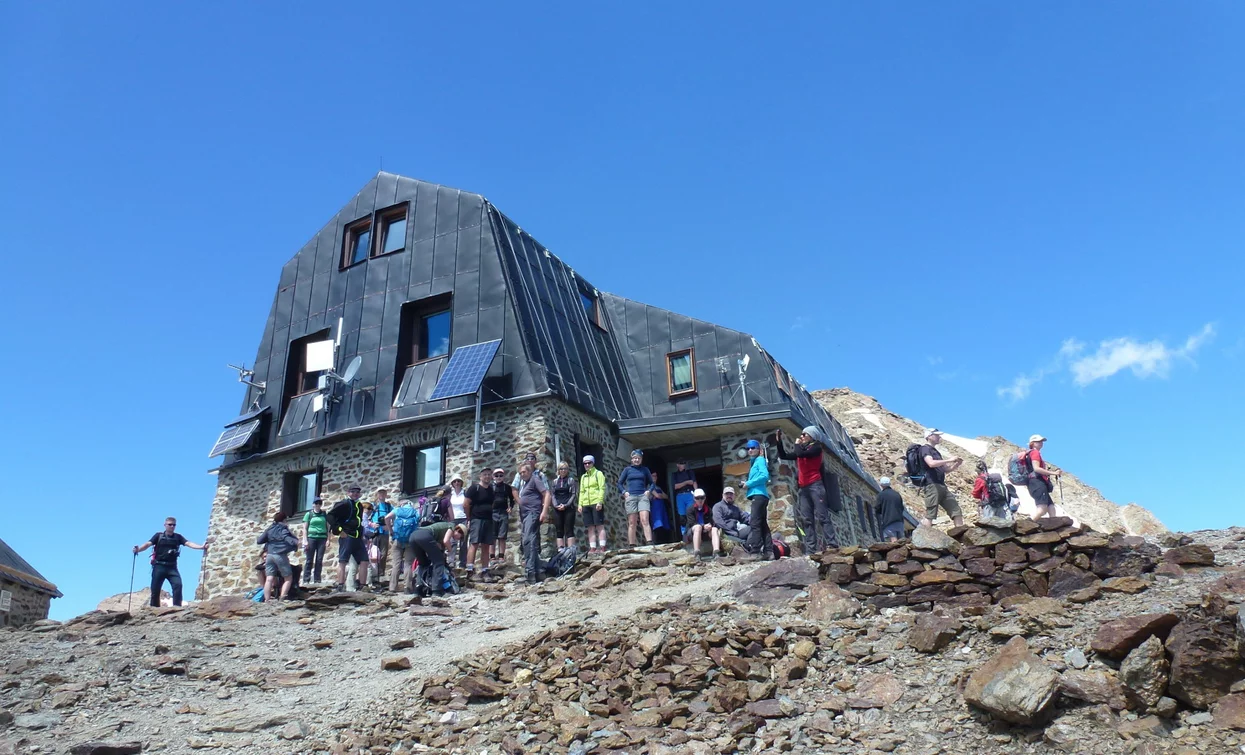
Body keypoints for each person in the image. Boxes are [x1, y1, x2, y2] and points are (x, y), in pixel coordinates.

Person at [775, 426, 839, 553]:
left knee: (822, 516)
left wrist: (796, 444)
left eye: (804, 434)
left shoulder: (816, 448)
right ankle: (811, 549)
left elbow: (800, 453)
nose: (801, 436)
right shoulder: (803, 450)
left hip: (815, 485)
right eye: (802, 434)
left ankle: (832, 544)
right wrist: (779, 441)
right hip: (804, 488)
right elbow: (784, 455)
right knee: (807, 519)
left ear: (812, 436)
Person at [132, 517, 206, 607]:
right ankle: (154, 609)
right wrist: (138, 549)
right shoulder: (158, 536)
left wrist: (201, 547)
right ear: (165, 525)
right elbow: (148, 544)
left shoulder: (178, 537)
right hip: (159, 566)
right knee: (155, 590)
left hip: (172, 567)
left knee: (178, 585)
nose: (172, 526)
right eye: (170, 524)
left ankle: (177, 608)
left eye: (174, 525)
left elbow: (188, 543)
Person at [918, 429, 964, 528]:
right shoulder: (925, 449)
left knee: (956, 510)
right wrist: (949, 460)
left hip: (941, 485)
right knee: (931, 513)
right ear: (929, 436)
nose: (939, 437)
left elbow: (945, 470)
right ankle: (925, 535)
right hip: (931, 484)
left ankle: (961, 534)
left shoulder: (936, 452)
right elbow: (931, 463)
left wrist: (956, 464)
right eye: (937, 435)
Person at [516, 463, 552, 584]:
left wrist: (544, 511)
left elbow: (547, 494)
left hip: (533, 513)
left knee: (528, 541)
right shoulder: (525, 484)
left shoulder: (534, 479)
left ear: (530, 471)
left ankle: (530, 573)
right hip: (526, 516)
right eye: (520, 473)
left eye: (524, 472)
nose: (522, 474)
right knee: (531, 541)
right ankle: (538, 572)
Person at [329, 485, 370, 591]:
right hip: (347, 536)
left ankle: (363, 586)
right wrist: (339, 530)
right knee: (343, 561)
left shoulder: (359, 505)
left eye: (357, 492)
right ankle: (340, 585)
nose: (355, 494)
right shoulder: (344, 504)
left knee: (364, 560)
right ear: (348, 493)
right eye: (353, 491)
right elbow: (330, 516)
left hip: (358, 538)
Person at [409, 521, 466, 596]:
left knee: (423, 563)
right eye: (461, 537)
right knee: (439, 562)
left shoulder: (441, 533)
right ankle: (436, 590)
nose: (458, 539)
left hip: (413, 536)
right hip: (424, 536)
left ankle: (418, 589)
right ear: (458, 530)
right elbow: (446, 541)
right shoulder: (452, 526)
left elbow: (439, 548)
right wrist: (450, 550)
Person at [256, 511, 300, 601]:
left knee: (269, 578)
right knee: (288, 577)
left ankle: (267, 600)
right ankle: (282, 598)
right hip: (280, 555)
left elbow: (259, 541)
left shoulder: (270, 529)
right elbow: (289, 539)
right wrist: (296, 543)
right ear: (284, 520)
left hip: (269, 555)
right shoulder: (283, 529)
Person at [463, 470, 497, 582]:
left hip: (488, 519)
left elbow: (492, 503)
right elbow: (466, 504)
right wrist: (469, 518)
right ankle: (470, 570)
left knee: (486, 545)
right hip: (476, 519)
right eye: (485, 475)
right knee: (474, 543)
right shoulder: (474, 488)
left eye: (489, 474)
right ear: (480, 476)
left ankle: (485, 570)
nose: (487, 476)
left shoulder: (491, 489)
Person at [742, 440, 773, 558]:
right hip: (761, 496)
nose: (750, 450)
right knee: (763, 524)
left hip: (758, 496)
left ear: (759, 449)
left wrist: (748, 483)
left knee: (755, 523)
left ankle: (754, 552)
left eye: (753, 447)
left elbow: (765, 476)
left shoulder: (759, 460)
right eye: (748, 448)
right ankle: (769, 552)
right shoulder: (755, 462)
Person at [617, 449, 654, 547]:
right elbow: (619, 483)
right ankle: (632, 545)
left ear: (641, 459)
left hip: (642, 496)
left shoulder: (645, 470)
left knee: (645, 520)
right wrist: (624, 492)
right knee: (632, 522)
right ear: (632, 459)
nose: (637, 460)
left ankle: (649, 542)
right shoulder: (627, 470)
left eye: (639, 458)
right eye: (635, 458)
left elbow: (652, 483)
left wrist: (649, 491)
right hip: (631, 497)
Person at [385, 498, 423, 593]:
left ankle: (392, 588)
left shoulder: (397, 510)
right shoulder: (415, 511)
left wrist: (391, 531)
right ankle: (407, 588)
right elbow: (419, 522)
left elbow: (386, 518)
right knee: (408, 564)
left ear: (401, 504)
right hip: (410, 541)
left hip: (398, 539)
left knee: (396, 564)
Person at [1025, 434, 1061, 520]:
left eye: (1041, 441)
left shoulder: (1030, 453)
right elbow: (1036, 468)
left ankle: (1054, 524)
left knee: (1051, 507)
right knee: (1042, 508)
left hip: (1036, 483)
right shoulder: (1035, 453)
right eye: (1038, 441)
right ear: (1032, 443)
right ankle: (1026, 523)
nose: (1041, 443)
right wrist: (1054, 473)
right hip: (1037, 482)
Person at [579, 455, 608, 554]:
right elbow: (582, 491)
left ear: (593, 463)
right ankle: (593, 548)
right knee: (590, 527)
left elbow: (602, 488)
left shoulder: (598, 474)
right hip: (586, 503)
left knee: (599, 525)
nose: (587, 465)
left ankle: (602, 547)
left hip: (596, 502)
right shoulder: (583, 477)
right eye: (585, 463)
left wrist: (600, 501)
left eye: (589, 463)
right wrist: (580, 504)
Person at [490, 468, 517, 566]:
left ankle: (501, 556)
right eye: (496, 475)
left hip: (503, 513)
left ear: (503, 476)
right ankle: (492, 557)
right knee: (492, 536)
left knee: (502, 536)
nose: (499, 477)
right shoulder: (490, 487)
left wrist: (511, 507)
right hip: (492, 513)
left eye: (501, 475)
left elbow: (512, 499)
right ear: (493, 477)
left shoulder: (507, 487)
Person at [550, 461, 579, 551]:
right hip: (557, 508)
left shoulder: (571, 480)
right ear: (558, 470)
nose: (563, 470)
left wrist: (566, 505)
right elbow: (552, 494)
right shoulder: (555, 482)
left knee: (569, 529)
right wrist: (556, 505)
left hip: (568, 508)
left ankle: (571, 550)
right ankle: (561, 551)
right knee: (559, 530)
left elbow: (573, 494)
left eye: (565, 468)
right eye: (561, 469)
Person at [684, 489, 720, 557]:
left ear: (705, 498)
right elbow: (691, 523)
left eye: (702, 498)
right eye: (697, 498)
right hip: (693, 533)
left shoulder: (708, 509)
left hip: (705, 532)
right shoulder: (690, 509)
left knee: (714, 529)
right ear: (694, 499)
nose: (700, 500)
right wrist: (703, 526)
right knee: (698, 527)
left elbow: (711, 521)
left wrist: (710, 526)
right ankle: (697, 552)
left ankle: (716, 552)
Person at [301, 497, 329, 584]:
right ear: (313, 504)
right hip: (311, 538)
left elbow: (328, 528)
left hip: (322, 538)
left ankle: (317, 579)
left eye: (319, 503)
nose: (318, 505)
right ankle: (306, 579)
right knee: (309, 559)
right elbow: (305, 528)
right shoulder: (309, 514)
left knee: (319, 559)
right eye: (316, 503)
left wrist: (328, 539)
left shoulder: (324, 514)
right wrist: (305, 540)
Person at [370, 489, 393, 587]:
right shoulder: (373, 506)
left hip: (384, 533)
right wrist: (372, 524)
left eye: (384, 493)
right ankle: (373, 574)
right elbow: (365, 518)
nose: (382, 495)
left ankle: (381, 573)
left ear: (386, 494)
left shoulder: (389, 506)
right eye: (380, 493)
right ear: (377, 494)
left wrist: (389, 526)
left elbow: (395, 517)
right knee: (373, 554)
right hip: (374, 533)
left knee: (383, 554)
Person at [874, 477, 907, 542]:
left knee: (893, 541)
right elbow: (902, 508)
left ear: (881, 485)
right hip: (900, 522)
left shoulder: (881, 495)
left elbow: (877, 508)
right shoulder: (897, 494)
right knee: (901, 541)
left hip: (889, 522)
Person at [447, 475, 469, 569]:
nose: (457, 483)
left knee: (463, 542)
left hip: (463, 518)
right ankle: (451, 561)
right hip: (453, 519)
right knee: (452, 541)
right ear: (452, 483)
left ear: (461, 482)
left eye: (458, 481)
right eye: (455, 481)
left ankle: (462, 563)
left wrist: (468, 520)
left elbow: (468, 506)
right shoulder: (450, 495)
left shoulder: (465, 493)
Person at [671, 460, 698, 537]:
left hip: (689, 494)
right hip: (680, 496)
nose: (683, 465)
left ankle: (693, 533)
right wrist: (686, 482)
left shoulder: (690, 472)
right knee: (682, 516)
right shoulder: (674, 474)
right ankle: (684, 535)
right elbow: (675, 486)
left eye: (684, 463)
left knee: (691, 513)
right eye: (681, 463)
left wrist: (696, 493)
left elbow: (694, 482)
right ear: (677, 465)